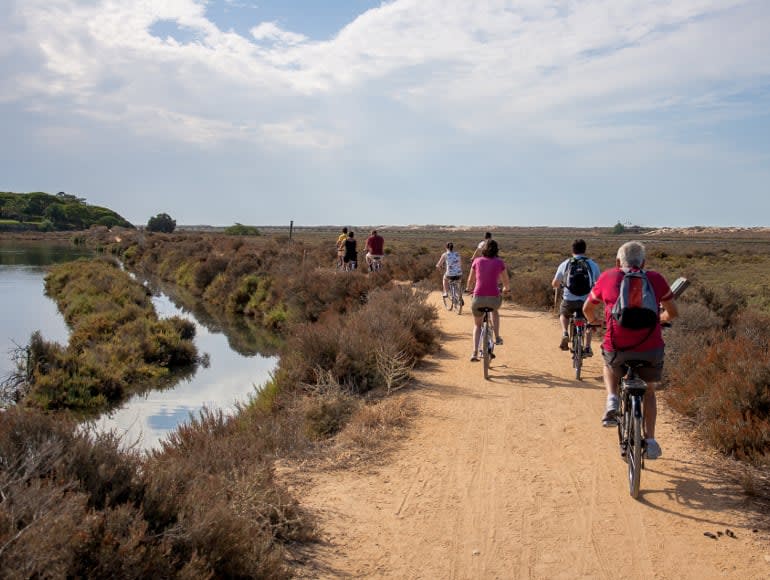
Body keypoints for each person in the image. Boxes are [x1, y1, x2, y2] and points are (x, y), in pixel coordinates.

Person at [582, 240, 678, 460]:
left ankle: (612, 399)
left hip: (617, 347)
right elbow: (673, 311)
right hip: (650, 348)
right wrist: (661, 318)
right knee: (650, 391)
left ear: (618, 262)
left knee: (608, 362)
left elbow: (588, 308)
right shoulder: (655, 279)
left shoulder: (607, 277)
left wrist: (595, 322)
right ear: (643, 262)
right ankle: (651, 441)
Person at [551, 239, 601, 356]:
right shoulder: (592, 264)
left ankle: (564, 333)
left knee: (564, 313)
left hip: (569, 300)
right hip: (586, 301)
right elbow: (600, 282)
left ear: (572, 250)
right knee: (589, 320)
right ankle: (588, 347)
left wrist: (560, 285)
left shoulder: (566, 263)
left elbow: (555, 283)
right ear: (585, 250)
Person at [465, 239, 511, 362]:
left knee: (477, 325)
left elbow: (470, 280)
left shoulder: (476, 261)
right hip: (493, 299)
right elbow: (506, 282)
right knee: (494, 311)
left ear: (483, 249)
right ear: (496, 250)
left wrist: (468, 289)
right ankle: (497, 337)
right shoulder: (500, 262)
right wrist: (506, 289)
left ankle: (474, 352)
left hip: (478, 298)